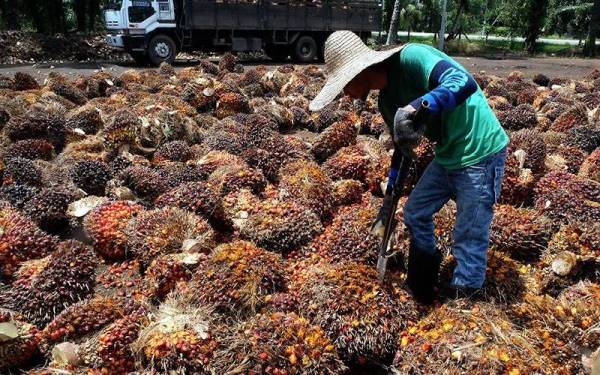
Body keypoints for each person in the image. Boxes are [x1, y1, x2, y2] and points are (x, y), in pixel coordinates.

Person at [309, 31, 508, 304]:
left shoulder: (413, 57)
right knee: (414, 212)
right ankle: (423, 281)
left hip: (480, 150)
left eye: (343, 84)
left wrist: (420, 107)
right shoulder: (386, 102)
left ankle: (464, 302)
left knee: (469, 234)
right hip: (448, 154)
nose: (344, 93)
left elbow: (463, 83)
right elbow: (402, 153)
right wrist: (387, 204)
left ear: (359, 71)